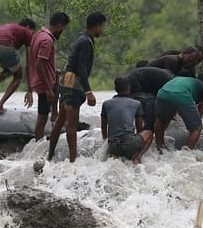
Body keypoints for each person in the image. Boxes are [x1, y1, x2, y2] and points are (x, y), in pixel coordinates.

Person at [47, 12, 108, 162]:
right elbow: (81, 68)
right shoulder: (86, 42)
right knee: (72, 124)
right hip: (73, 83)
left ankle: (49, 156)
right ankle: (73, 160)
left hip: (66, 81)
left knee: (61, 120)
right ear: (97, 26)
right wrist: (88, 92)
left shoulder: (83, 39)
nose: (103, 30)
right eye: (103, 26)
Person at [25, 12, 71, 141]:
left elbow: (38, 61)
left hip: (42, 80)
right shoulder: (47, 40)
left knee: (46, 113)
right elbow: (39, 65)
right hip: (44, 84)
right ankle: (38, 143)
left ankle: (54, 121)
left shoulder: (38, 34)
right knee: (42, 117)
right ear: (59, 25)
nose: (62, 31)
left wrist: (52, 70)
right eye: (63, 28)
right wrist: (48, 88)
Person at [0, 18, 37, 114]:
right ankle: (0, 105)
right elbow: (29, 65)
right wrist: (30, 91)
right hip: (6, 46)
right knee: (18, 77)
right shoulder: (27, 32)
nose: (32, 36)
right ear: (28, 27)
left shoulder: (8, 27)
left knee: (10, 69)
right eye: (32, 33)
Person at [153, 74, 203, 152]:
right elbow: (200, 112)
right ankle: (184, 154)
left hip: (162, 93)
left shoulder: (184, 79)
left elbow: (173, 97)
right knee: (197, 128)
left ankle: (159, 148)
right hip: (182, 94)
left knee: (160, 120)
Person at [101, 76, 153, 164]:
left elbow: (103, 127)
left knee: (116, 154)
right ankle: (137, 157)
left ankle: (115, 155)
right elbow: (139, 128)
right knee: (149, 133)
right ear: (128, 88)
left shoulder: (106, 104)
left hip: (113, 146)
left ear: (115, 89)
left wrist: (106, 141)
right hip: (130, 144)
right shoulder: (136, 103)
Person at [126, 66, 174, 131]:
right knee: (150, 108)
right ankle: (146, 132)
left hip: (145, 84)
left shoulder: (171, 82)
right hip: (135, 83)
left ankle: (148, 131)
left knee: (157, 108)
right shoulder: (172, 85)